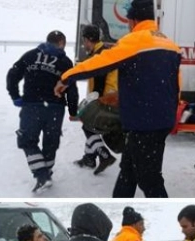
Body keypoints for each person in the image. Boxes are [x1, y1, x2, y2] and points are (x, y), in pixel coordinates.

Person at [55, 0, 181, 198]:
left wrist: (66, 77)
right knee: (128, 172)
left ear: (132, 20)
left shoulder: (133, 42)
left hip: (144, 124)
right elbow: (175, 87)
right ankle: (122, 202)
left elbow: (99, 63)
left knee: (150, 179)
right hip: (160, 120)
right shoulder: (170, 44)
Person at [6, 30, 79, 193]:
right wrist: (73, 111)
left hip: (32, 105)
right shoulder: (65, 62)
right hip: (55, 108)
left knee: (27, 140)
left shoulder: (30, 55)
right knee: (51, 142)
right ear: (61, 43)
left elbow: (13, 74)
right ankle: (46, 174)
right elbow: (71, 89)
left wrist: (15, 96)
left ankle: (42, 175)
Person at [73, 24, 117, 175]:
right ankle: (89, 158)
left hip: (107, 99)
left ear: (89, 39)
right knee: (89, 124)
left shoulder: (100, 55)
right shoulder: (102, 51)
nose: (83, 44)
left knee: (88, 124)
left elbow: (99, 81)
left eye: (84, 40)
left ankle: (104, 155)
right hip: (110, 97)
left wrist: (91, 102)